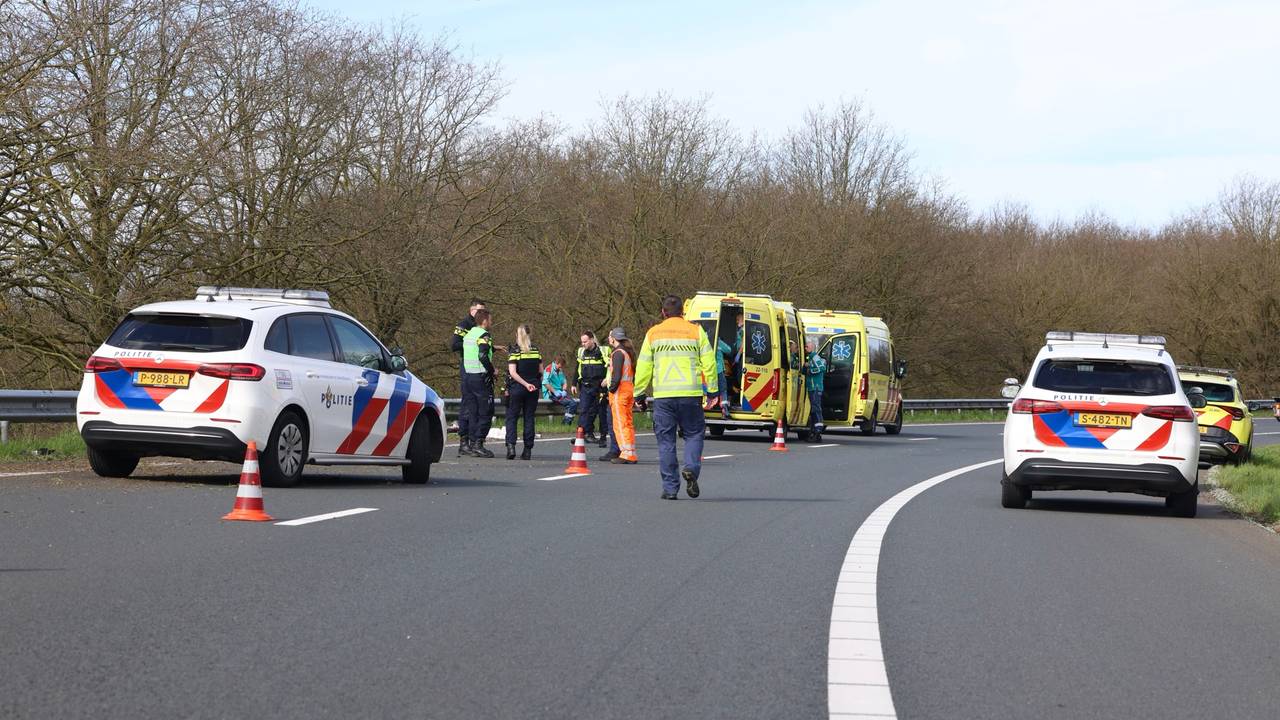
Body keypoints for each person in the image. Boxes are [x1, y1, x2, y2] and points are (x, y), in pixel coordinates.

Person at [634, 295, 718, 500]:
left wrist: (639, 393)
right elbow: (710, 362)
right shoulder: (696, 331)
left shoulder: (653, 334)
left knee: (666, 442)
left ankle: (671, 489)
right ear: (683, 312)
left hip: (664, 397)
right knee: (694, 434)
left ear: (663, 312)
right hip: (690, 394)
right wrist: (713, 390)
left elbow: (644, 366)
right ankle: (691, 468)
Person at [451, 299, 486, 456]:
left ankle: (473, 441)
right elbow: (454, 345)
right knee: (468, 405)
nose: (482, 314)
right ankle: (464, 442)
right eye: (479, 311)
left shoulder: (479, 327)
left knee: (475, 406)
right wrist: (471, 344)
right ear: (471, 310)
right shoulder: (464, 325)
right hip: (467, 368)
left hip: (477, 369)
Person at [460, 308, 496, 458]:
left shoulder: (469, 334)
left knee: (473, 412)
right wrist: (492, 370)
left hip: (468, 376)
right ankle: (479, 443)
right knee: (486, 411)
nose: (491, 322)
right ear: (485, 321)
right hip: (480, 377)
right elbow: (482, 354)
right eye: (490, 319)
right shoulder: (483, 335)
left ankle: (472, 442)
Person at [504, 325, 542, 460]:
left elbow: (512, 373)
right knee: (529, 417)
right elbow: (540, 371)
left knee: (512, 417)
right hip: (533, 388)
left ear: (517, 335)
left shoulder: (515, 351)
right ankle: (527, 449)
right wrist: (532, 383)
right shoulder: (536, 350)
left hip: (518, 388)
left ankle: (511, 446)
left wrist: (525, 384)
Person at [604, 327, 638, 463]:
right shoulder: (627, 352)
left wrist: (611, 389)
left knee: (620, 423)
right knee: (628, 423)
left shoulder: (618, 353)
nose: (608, 338)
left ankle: (626, 454)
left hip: (620, 392)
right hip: (629, 390)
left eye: (609, 336)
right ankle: (630, 452)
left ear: (613, 338)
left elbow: (616, 376)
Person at [572, 331, 608, 447]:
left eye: (585, 341)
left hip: (600, 387)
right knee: (584, 411)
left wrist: (608, 379)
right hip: (585, 386)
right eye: (582, 342)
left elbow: (611, 366)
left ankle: (603, 437)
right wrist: (573, 383)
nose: (583, 344)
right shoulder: (581, 351)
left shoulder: (603, 351)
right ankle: (581, 435)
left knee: (601, 412)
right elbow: (578, 367)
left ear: (592, 339)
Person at [541, 355, 577, 423]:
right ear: (557, 362)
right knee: (572, 404)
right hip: (551, 393)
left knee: (574, 403)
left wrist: (564, 390)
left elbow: (564, 381)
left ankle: (566, 423)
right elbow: (545, 383)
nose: (562, 367)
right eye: (561, 365)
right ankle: (566, 423)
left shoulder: (559, 370)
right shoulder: (549, 369)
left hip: (559, 392)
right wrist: (555, 392)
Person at [804, 338, 828, 438]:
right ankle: (814, 430)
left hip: (816, 388)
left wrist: (810, 370)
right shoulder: (809, 357)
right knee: (813, 409)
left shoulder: (815, 357)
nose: (805, 348)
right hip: (811, 388)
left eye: (807, 347)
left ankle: (818, 430)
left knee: (816, 408)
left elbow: (822, 368)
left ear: (812, 348)